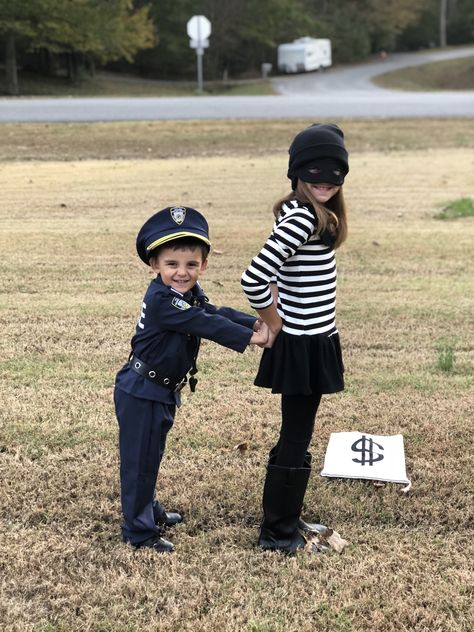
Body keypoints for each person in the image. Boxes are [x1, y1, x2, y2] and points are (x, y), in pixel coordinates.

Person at [115, 206, 268, 553]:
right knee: (139, 461)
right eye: (172, 264)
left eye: (191, 264)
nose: (182, 273)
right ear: (154, 265)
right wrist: (251, 339)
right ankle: (139, 532)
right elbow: (206, 325)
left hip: (160, 389)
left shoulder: (186, 294)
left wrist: (251, 323)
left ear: (203, 265)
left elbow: (212, 312)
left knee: (150, 455)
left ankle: (148, 509)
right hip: (141, 391)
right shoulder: (161, 301)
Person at [241, 123, 349, 554]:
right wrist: (276, 321)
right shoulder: (303, 218)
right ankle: (276, 533)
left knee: (297, 433)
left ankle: (286, 518)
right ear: (297, 173)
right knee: (296, 435)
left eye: (336, 170)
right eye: (314, 169)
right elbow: (254, 278)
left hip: (316, 341)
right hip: (302, 345)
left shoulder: (314, 217)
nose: (326, 178)